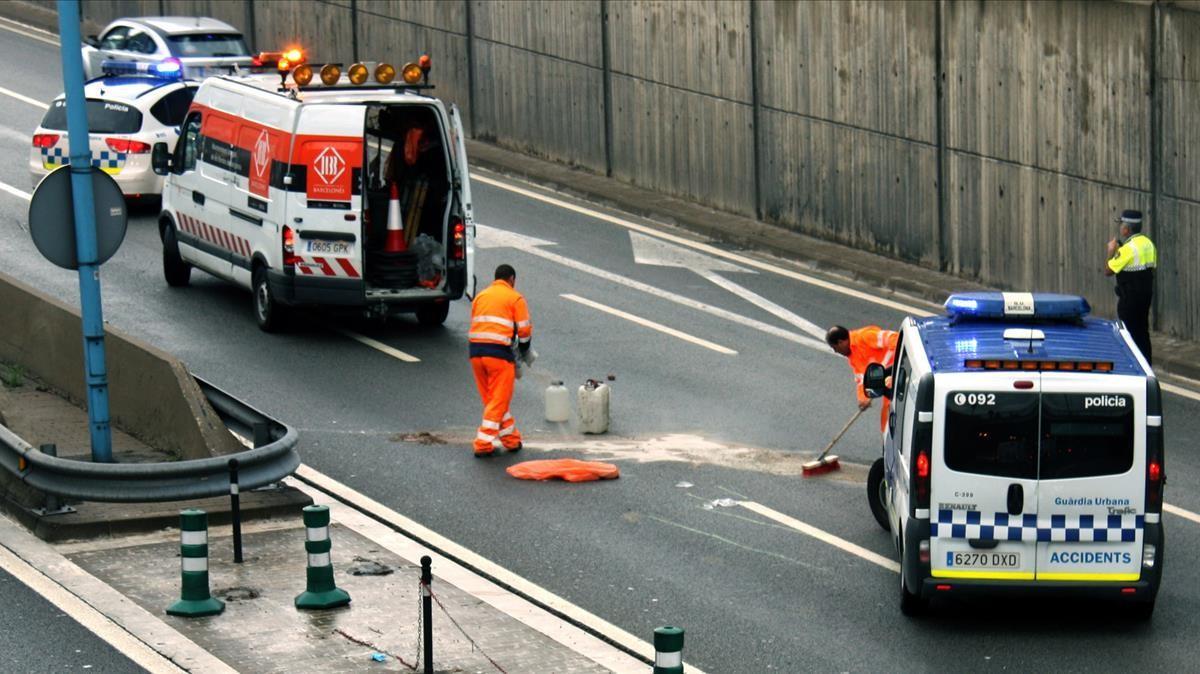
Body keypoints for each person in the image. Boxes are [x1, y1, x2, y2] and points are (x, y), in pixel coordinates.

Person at [468, 264, 533, 457]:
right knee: (498, 400)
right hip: (498, 355)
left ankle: (511, 439)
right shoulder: (515, 297)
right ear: (512, 279)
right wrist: (523, 351)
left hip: (475, 353)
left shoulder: (481, 295)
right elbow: (524, 331)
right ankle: (483, 442)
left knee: (493, 400)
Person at [1104, 209, 1157, 365]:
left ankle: (1131, 365)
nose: (1120, 228)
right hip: (1146, 296)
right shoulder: (1149, 244)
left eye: (1121, 225)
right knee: (1142, 332)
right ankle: (1146, 365)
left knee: (1127, 334)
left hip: (1129, 299)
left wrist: (1111, 252)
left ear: (1126, 229)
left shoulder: (1128, 249)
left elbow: (1108, 270)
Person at [826, 325, 899, 432]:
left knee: (892, 417)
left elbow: (895, 338)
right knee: (886, 420)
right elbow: (861, 379)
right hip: (888, 384)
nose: (836, 352)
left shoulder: (865, 336)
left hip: (901, 373)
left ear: (841, 342)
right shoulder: (852, 357)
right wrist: (863, 398)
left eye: (835, 348)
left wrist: (890, 369)